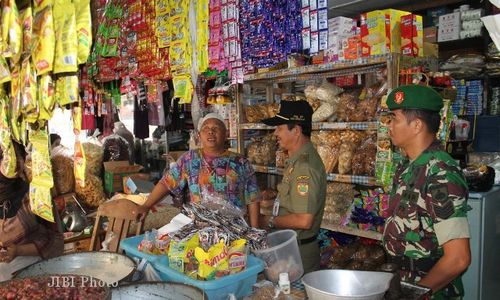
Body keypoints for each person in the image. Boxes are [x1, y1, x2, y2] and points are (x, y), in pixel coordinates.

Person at [383, 85, 471, 299]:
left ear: (417, 126)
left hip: (429, 290)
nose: (389, 126)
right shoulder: (408, 166)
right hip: (402, 281)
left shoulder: (440, 173)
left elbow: (458, 258)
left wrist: (414, 293)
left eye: (394, 119)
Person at [138, 113, 260, 227]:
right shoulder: (190, 159)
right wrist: (146, 206)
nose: (211, 132)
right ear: (199, 135)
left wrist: (255, 230)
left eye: (216, 128)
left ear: (225, 134)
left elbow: (253, 198)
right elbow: (166, 183)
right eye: (206, 128)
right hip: (200, 227)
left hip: (235, 227)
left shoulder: (240, 162)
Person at [259, 100, 327, 274]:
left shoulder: (305, 167)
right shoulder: (296, 160)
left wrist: (269, 221)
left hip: (299, 254)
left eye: (279, 128)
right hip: (291, 249)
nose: (275, 133)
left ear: (296, 131)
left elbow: (304, 220)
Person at [0, 141, 64, 282]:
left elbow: (57, 241)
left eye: (18, 156)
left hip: (40, 270)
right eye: (6, 156)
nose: (14, 162)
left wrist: (18, 250)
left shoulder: (37, 194)